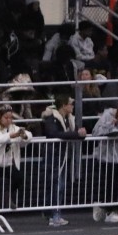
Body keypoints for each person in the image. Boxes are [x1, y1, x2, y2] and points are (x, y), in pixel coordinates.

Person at [40, 95, 86, 228]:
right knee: (56, 185)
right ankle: (53, 214)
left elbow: (75, 133)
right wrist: (76, 134)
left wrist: (80, 133)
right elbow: (53, 134)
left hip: (64, 156)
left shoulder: (69, 119)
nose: (72, 106)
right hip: (54, 156)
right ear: (63, 105)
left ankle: (51, 212)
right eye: (70, 104)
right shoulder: (52, 118)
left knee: (59, 185)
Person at [0, 105, 31, 211]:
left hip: (8, 162)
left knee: (18, 178)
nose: (9, 120)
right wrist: (10, 136)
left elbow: (28, 135)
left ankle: (6, 196)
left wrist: (24, 136)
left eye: (10, 117)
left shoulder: (14, 128)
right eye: (6, 117)